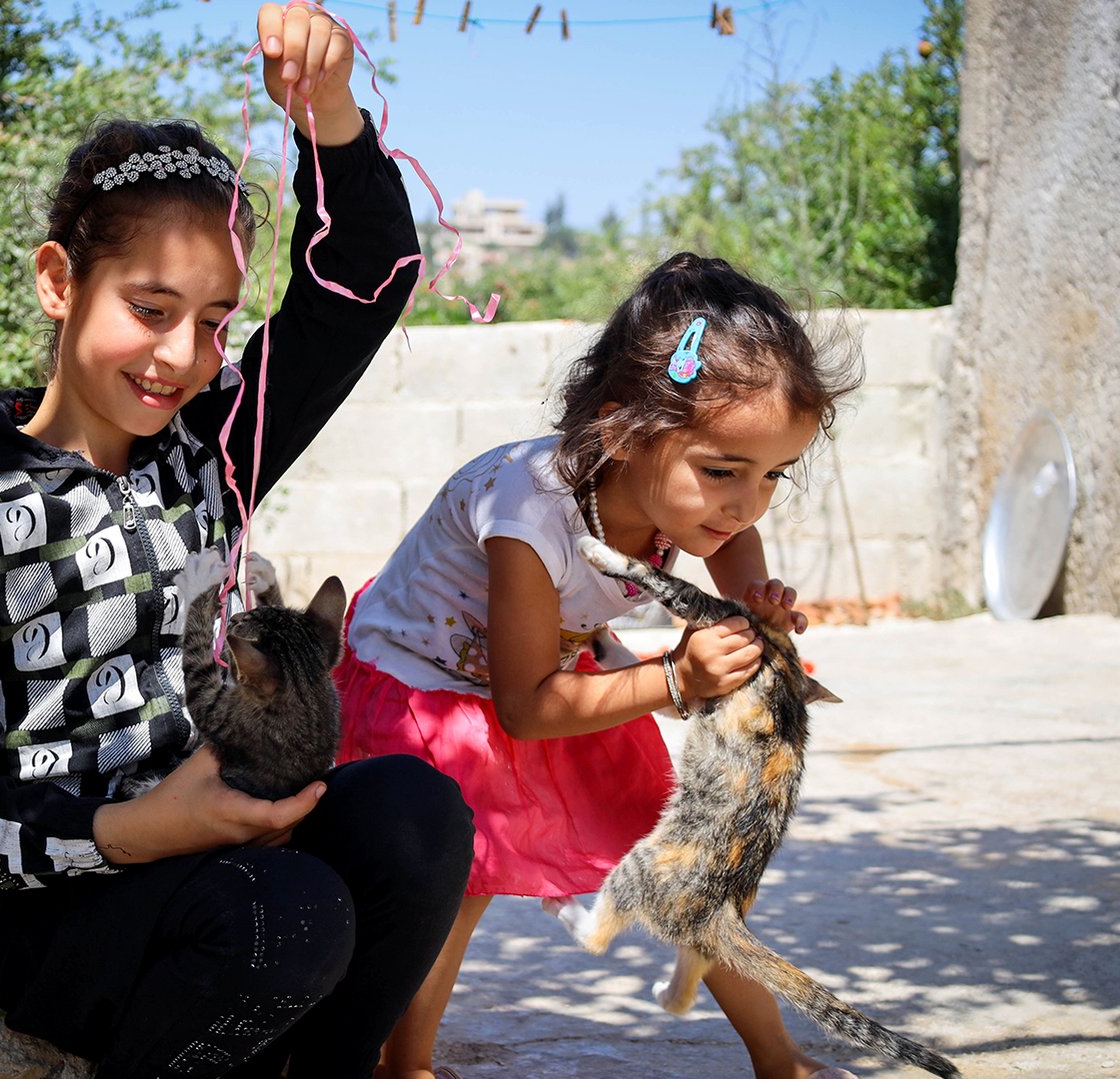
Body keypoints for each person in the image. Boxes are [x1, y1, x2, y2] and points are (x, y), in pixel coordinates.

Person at [0, 6, 473, 1077]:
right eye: (150, 308)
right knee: (287, 914)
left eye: (215, 320)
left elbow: (365, 276)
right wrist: (137, 830)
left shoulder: (212, 445)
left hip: (226, 846)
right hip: (77, 909)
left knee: (417, 813)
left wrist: (326, 112)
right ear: (59, 282)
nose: (181, 355)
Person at [335, 252, 865, 1079]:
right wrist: (675, 679)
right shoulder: (528, 512)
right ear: (620, 431)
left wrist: (755, 604)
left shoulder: (694, 503)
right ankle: (404, 1063)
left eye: (773, 475)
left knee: (691, 859)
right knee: (457, 877)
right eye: (724, 471)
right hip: (428, 685)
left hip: (557, 669)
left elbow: (738, 549)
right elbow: (524, 709)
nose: (748, 503)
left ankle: (778, 1057)